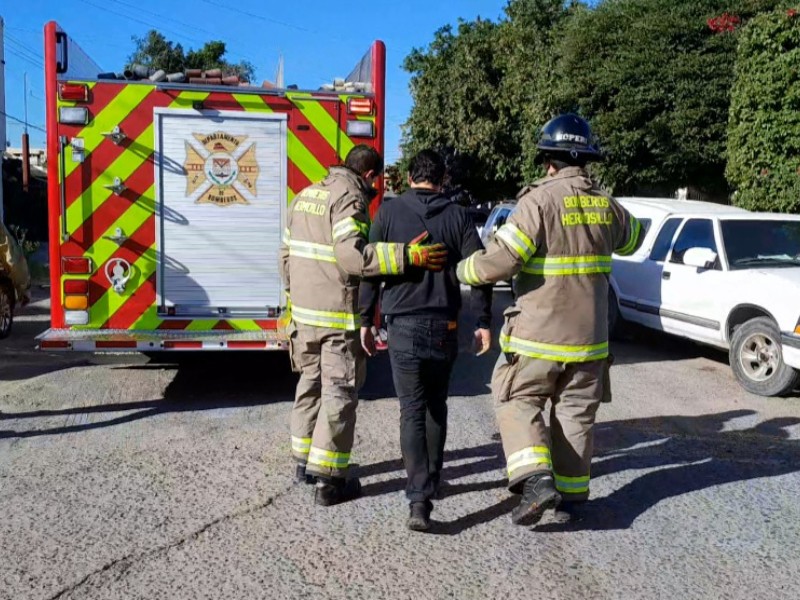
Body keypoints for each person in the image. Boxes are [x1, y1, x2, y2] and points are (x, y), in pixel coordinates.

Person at [456, 114, 643, 526]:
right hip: (591, 342)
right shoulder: (607, 205)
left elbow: (502, 260)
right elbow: (635, 238)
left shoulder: (537, 202)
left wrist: (464, 269)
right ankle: (572, 496)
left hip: (539, 337)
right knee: (576, 414)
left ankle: (537, 482)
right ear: (587, 160)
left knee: (516, 399)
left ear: (549, 162)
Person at [279, 145, 448, 507]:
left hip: (303, 316)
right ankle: (330, 481)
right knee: (339, 393)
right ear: (369, 176)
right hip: (335, 318)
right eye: (376, 185)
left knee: (309, 386)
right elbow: (352, 256)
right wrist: (406, 255)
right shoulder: (350, 199)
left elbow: (285, 255)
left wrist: (295, 298)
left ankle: (303, 462)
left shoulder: (306, 195)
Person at [360, 149, 493, 531]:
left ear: (408, 176)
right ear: (443, 178)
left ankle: (418, 499)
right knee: (437, 405)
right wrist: (483, 320)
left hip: (402, 325)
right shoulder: (458, 215)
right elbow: (480, 271)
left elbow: (370, 268)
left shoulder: (387, 213)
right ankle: (432, 480)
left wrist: (364, 320)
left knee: (411, 409)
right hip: (444, 327)